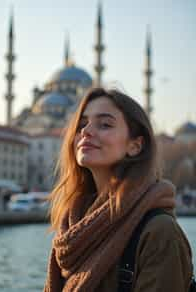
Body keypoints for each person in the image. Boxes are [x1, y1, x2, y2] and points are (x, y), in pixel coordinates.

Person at [44, 87, 193, 292]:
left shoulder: (159, 233)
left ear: (135, 146)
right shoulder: (71, 227)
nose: (86, 131)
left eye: (104, 124)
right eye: (81, 124)